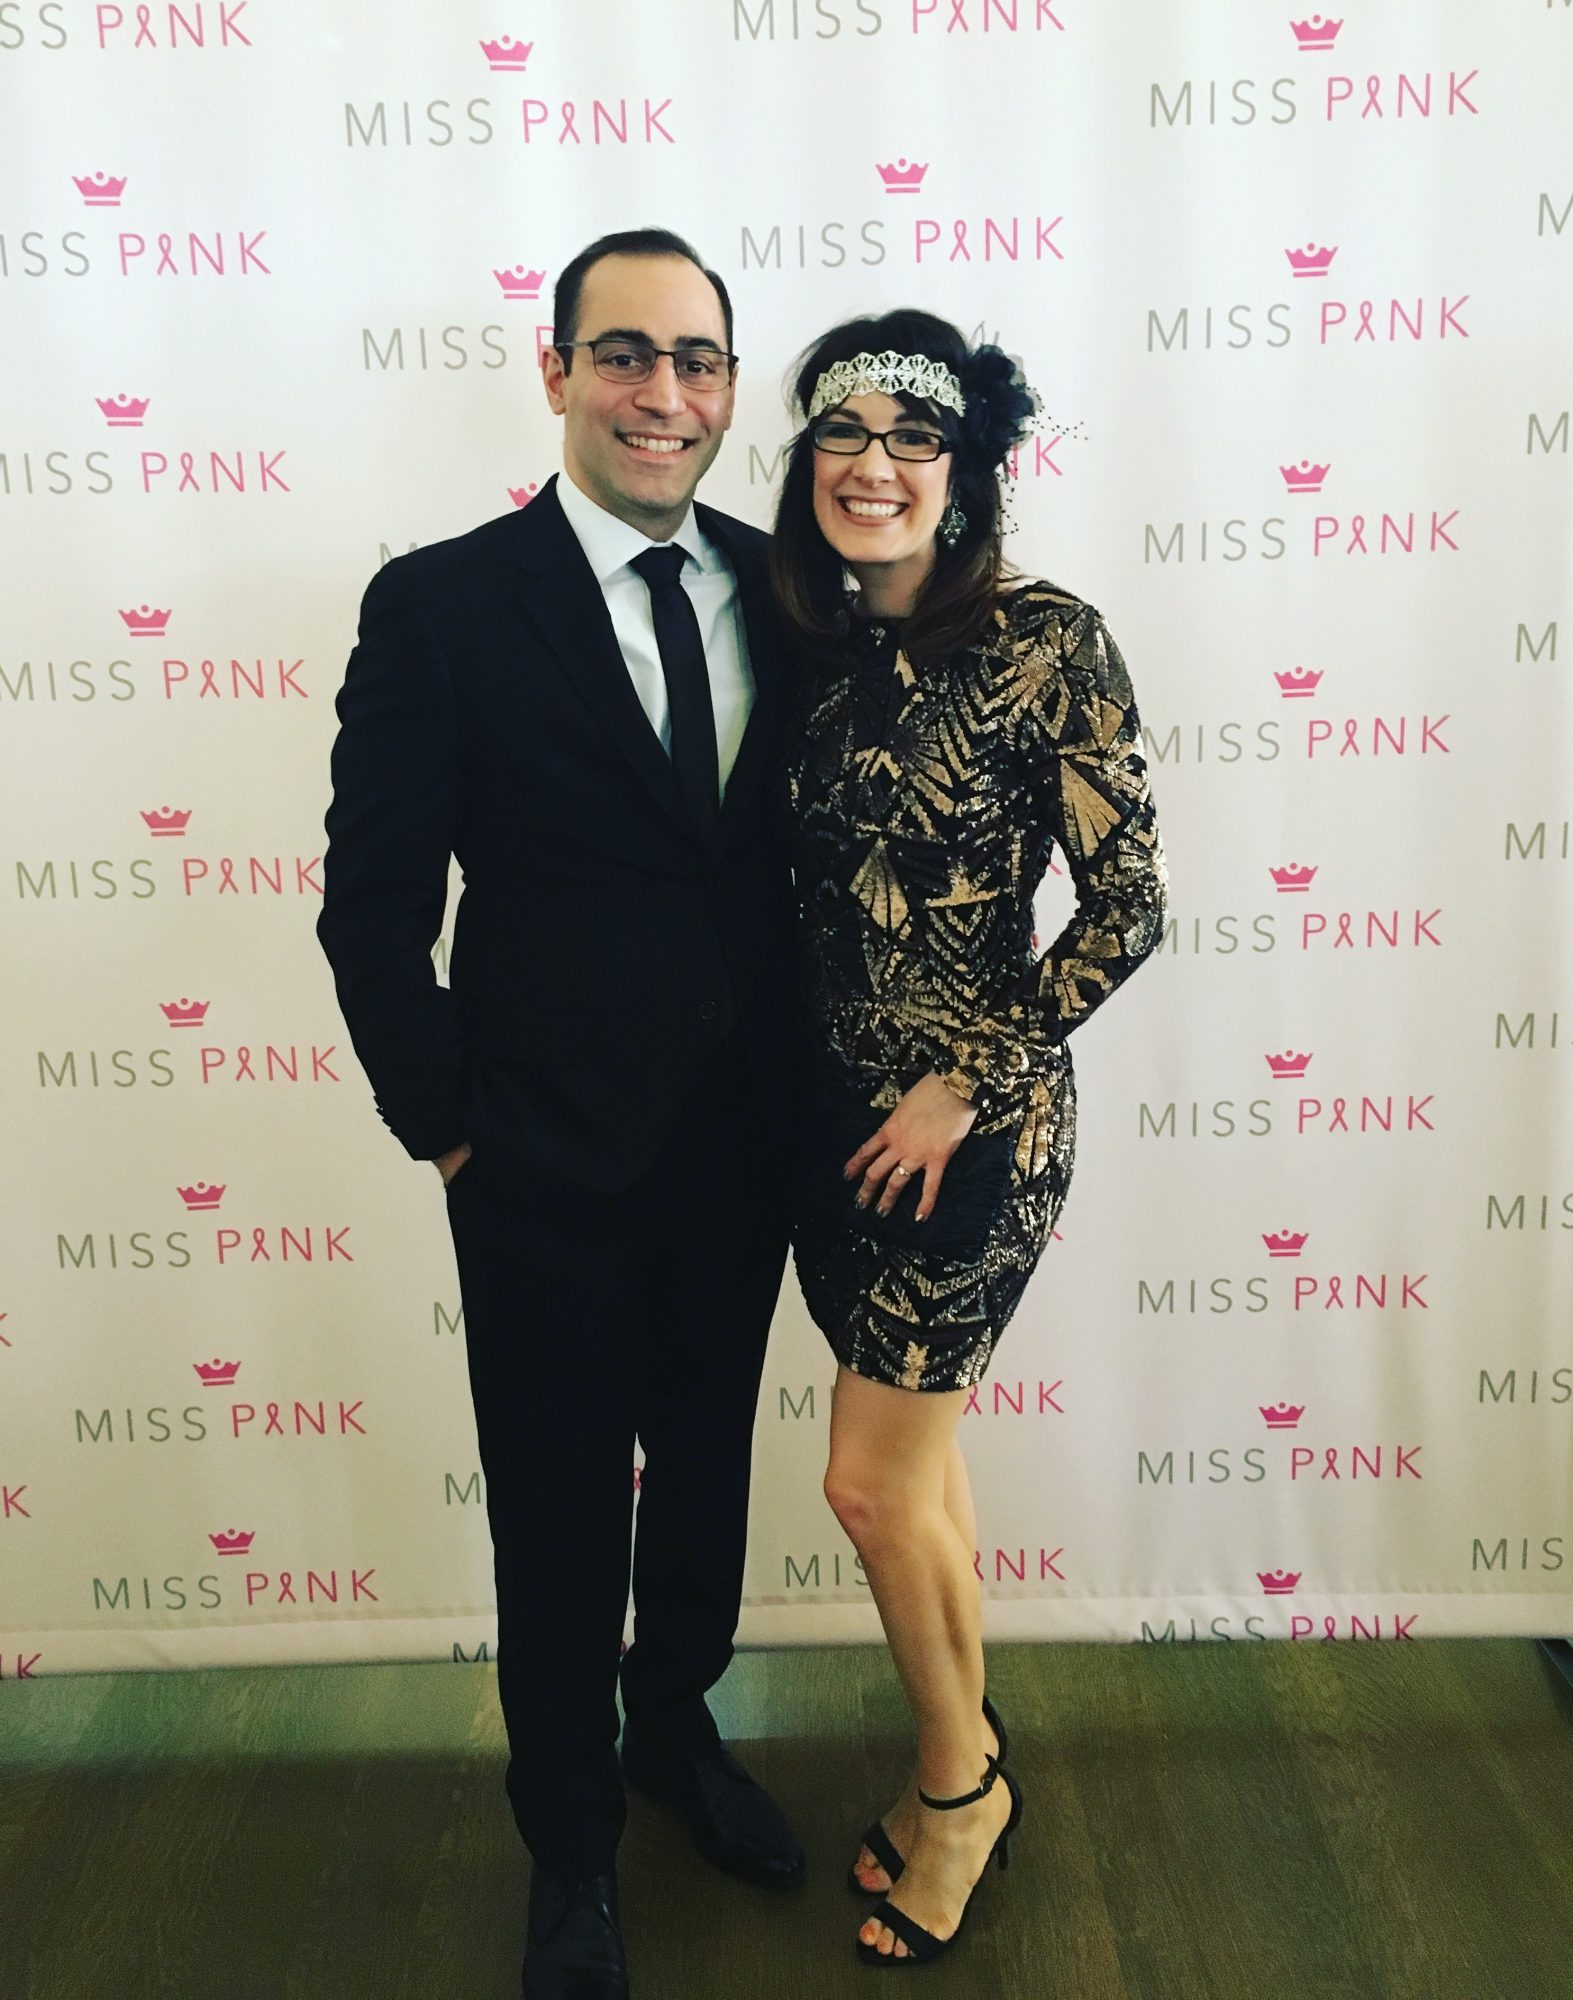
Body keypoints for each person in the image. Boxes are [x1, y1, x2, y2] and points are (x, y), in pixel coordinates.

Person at [317, 227, 805, 2000]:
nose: (663, 394)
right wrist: (449, 1124)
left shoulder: (788, 589)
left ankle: (674, 1729)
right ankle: (572, 1846)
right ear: (557, 373)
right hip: (538, 1166)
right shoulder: (443, 605)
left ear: (730, 390)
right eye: (625, 354)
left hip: (746, 1154)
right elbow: (373, 904)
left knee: (707, 1480)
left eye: (697, 360)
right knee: (557, 1514)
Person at [771, 310, 1168, 1967]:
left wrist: (966, 1077)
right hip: (823, 1129)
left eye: (912, 437)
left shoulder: (1045, 640)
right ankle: (965, 1742)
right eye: (842, 431)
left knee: (865, 1486)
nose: (873, 465)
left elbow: (1128, 902)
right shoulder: (795, 639)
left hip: (974, 1129)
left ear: (967, 467)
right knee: (916, 1478)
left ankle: (959, 1790)